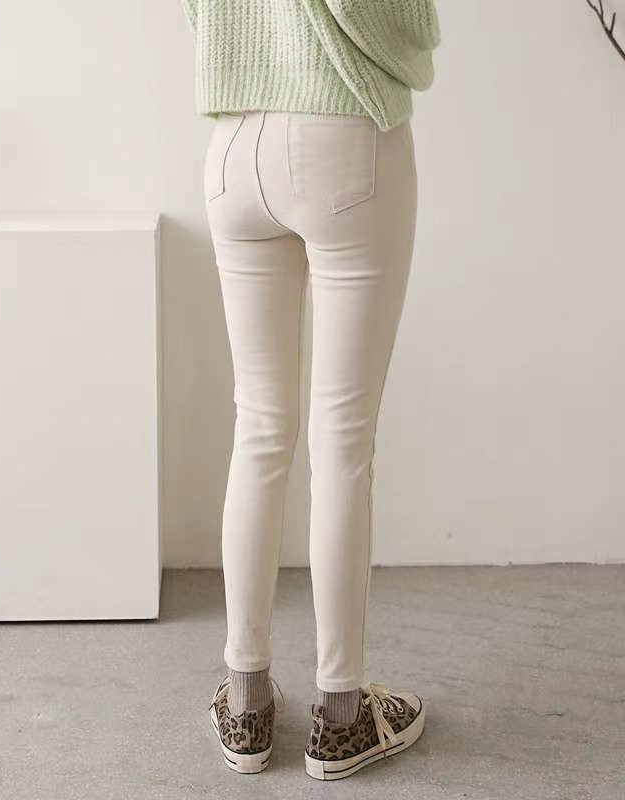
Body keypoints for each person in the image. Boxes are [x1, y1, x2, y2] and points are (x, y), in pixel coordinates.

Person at [180, 0, 441, 781]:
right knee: (342, 442)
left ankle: (246, 704)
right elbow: (388, 19)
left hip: (233, 149)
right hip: (342, 138)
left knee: (259, 428)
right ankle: (341, 716)